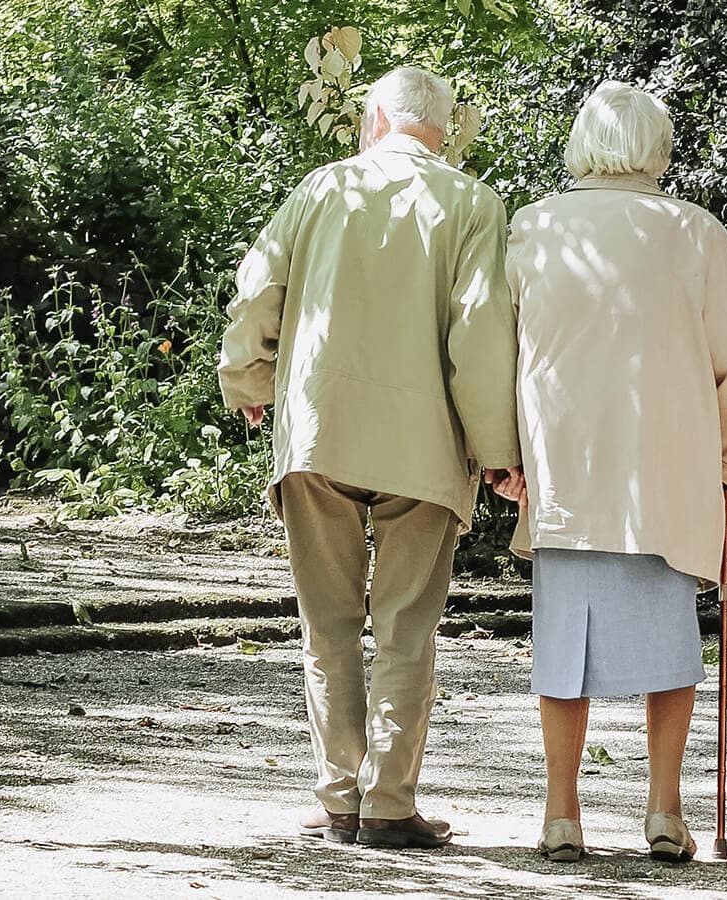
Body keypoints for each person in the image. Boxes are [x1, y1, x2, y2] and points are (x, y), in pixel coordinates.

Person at [218, 66, 524, 850]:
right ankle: (388, 805)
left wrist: (248, 377)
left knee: (327, 625)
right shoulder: (472, 203)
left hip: (320, 433)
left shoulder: (320, 189)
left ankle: (337, 800)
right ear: (444, 128)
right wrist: (498, 453)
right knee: (405, 628)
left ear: (375, 119)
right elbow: (481, 337)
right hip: (423, 446)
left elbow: (258, 294)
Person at [505, 81, 727, 863]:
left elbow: (501, 352)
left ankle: (561, 814)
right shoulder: (693, 232)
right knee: (669, 646)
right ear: (657, 148)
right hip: (667, 470)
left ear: (584, 145)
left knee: (562, 647)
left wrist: (503, 454)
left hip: (567, 467)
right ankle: (663, 810)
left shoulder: (535, 226)